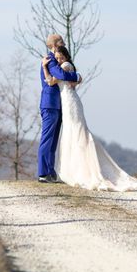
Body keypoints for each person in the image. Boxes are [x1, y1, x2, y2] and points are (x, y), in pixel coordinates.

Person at [42, 46, 137, 192]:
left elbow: (60, 77)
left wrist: (75, 76)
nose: (59, 60)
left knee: (79, 133)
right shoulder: (61, 68)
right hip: (66, 104)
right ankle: (76, 169)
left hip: (71, 102)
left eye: (61, 57)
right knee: (70, 134)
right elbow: (50, 82)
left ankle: (86, 170)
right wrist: (44, 66)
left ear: (66, 57)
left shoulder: (65, 66)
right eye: (57, 58)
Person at [37, 34, 81, 183]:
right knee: (47, 138)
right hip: (50, 105)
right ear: (55, 45)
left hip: (59, 106)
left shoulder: (57, 60)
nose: (64, 44)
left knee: (54, 140)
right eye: (62, 42)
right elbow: (61, 74)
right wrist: (78, 76)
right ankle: (43, 172)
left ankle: (50, 171)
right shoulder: (50, 61)